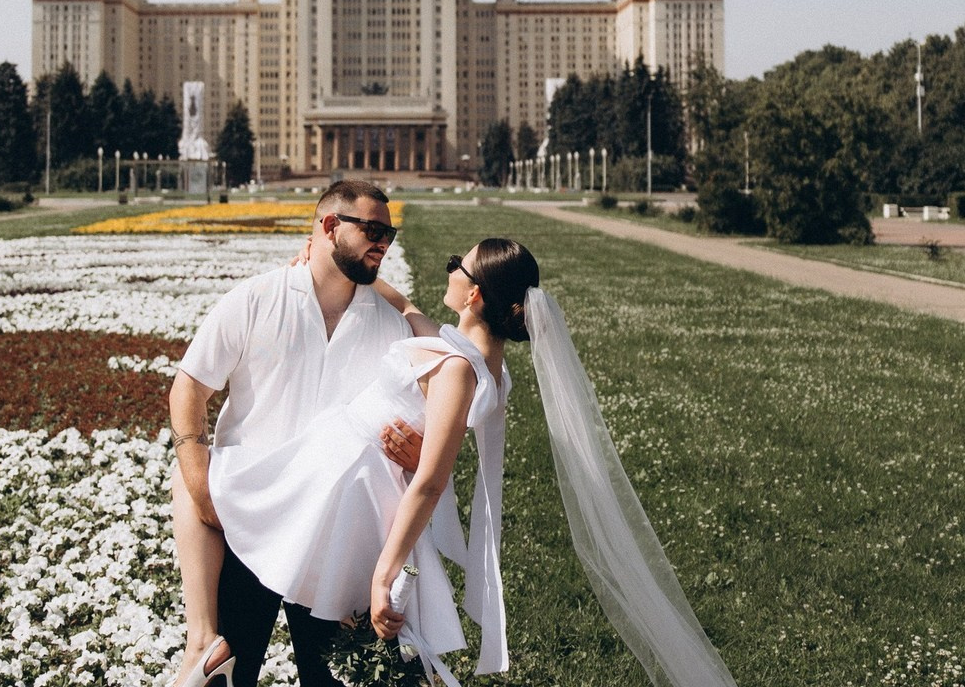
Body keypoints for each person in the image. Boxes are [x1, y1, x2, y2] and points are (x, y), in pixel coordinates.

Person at [174, 234, 742, 687]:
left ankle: (205, 642)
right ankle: (210, 643)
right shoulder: (483, 366)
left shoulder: (454, 368)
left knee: (203, 483)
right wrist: (326, 258)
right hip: (351, 478)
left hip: (339, 483)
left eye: (457, 265)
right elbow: (411, 312)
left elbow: (430, 479)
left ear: (473, 295)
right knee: (235, 525)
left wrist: (383, 572)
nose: (449, 271)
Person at [168, 180, 423, 687]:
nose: (383, 243)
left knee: (330, 679)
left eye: (389, 234)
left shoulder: (392, 328)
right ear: (329, 226)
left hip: (334, 534)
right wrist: (199, 486)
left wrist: (415, 455)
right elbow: (188, 389)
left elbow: (414, 422)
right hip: (248, 517)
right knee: (227, 674)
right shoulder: (257, 298)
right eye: (373, 229)